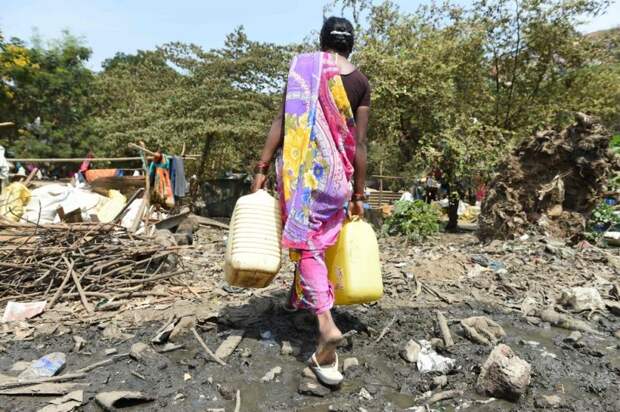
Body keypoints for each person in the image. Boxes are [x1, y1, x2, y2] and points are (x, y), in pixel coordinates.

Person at [250, 16, 370, 386]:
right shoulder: (361, 82)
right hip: (337, 178)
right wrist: (359, 192)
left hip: (302, 174)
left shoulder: (304, 69)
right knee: (317, 241)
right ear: (351, 46)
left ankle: (325, 323)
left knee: (306, 246)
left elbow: (282, 123)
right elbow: (360, 143)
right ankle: (297, 296)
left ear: (321, 43)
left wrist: (262, 168)